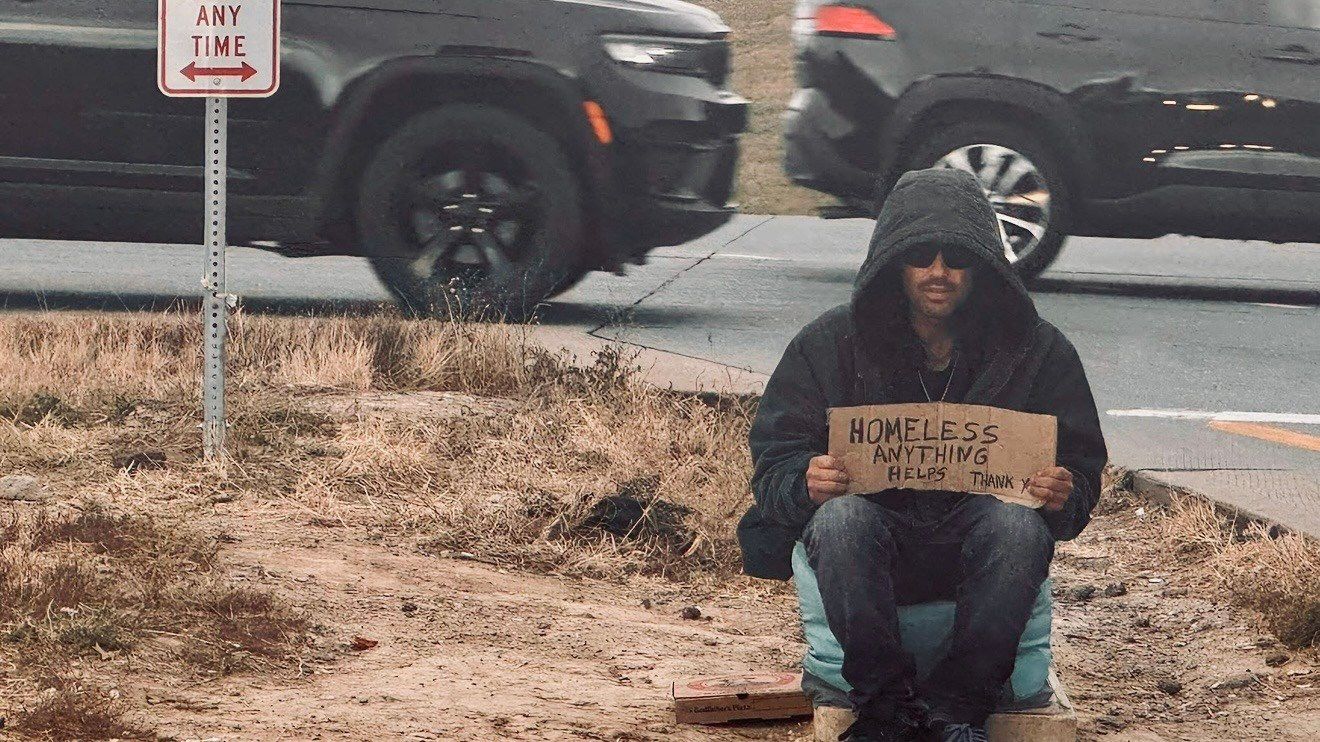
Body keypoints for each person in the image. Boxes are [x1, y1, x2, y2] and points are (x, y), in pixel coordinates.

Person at [736, 168, 1108, 742]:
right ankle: (885, 711)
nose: (938, 272)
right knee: (839, 519)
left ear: (985, 263)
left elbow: (1081, 477)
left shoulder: (1041, 351)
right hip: (869, 544)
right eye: (920, 256)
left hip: (980, 544)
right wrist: (804, 481)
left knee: (1016, 526)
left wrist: (1064, 493)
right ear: (892, 263)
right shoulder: (827, 344)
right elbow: (774, 464)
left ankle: (957, 711)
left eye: (957, 256)